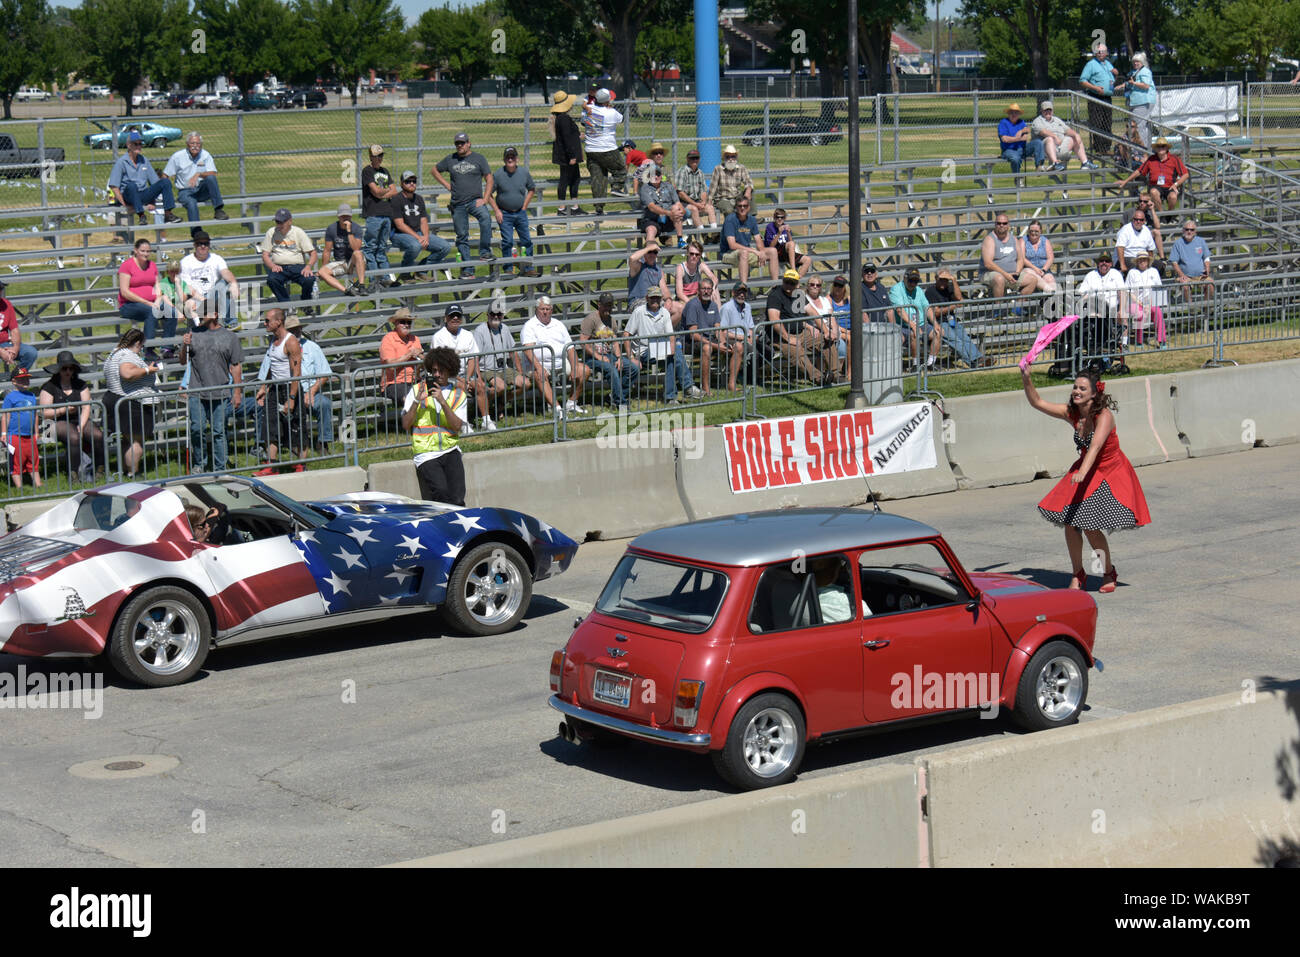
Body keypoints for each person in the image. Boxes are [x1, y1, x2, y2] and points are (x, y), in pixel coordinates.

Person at [1020, 367, 1150, 592]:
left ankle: (1107, 572)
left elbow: (1096, 446)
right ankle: (1078, 574)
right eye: (1075, 387)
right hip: (1085, 470)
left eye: (1082, 388)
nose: (1076, 392)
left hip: (1108, 472)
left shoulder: (1104, 416)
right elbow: (1037, 402)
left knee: (1090, 527)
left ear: (1094, 394)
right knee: (1070, 524)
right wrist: (1026, 378)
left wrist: (1082, 472)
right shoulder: (1072, 413)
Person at [180, 300, 243, 473]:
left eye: (203, 312)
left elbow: (236, 367)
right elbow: (182, 361)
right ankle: (200, 464)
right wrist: (184, 344)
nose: (199, 315)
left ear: (215, 315)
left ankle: (220, 467)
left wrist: (237, 392)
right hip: (197, 391)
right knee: (196, 429)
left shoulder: (230, 337)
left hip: (221, 391)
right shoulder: (192, 333)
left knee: (218, 432)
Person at [401, 347, 468, 505]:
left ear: (450, 370)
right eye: (434, 370)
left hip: (450, 450)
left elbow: (457, 426)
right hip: (426, 453)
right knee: (441, 493)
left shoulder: (458, 395)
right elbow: (405, 424)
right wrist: (416, 401)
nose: (437, 375)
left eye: (441, 371)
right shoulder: (417, 390)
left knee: (458, 497)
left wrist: (443, 403)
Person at [433, 132, 494, 277]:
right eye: (457, 143)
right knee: (461, 236)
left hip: (475, 201)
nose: (459, 146)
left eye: (462, 143)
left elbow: (489, 178)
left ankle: (485, 252)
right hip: (458, 203)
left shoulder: (479, 158)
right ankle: (468, 269)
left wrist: (485, 199)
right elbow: (434, 170)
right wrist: (447, 185)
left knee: (486, 219)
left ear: (469, 143)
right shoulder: (450, 159)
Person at [102, 328, 161, 478]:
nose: (141, 349)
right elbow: (127, 373)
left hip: (117, 398)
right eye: (141, 346)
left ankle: (127, 471)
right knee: (136, 441)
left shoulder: (114, 353)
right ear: (137, 343)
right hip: (132, 402)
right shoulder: (127, 355)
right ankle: (134, 473)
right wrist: (148, 370)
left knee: (127, 439)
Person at [38, 351, 104, 482]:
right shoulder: (49, 387)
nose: (68, 371)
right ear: (58, 370)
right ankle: (73, 474)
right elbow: (44, 412)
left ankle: (100, 469)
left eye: (71, 368)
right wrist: (63, 410)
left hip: (78, 419)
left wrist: (82, 424)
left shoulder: (80, 384)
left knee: (98, 435)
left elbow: (86, 407)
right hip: (54, 422)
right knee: (74, 437)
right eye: (64, 368)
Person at [253, 308, 306, 474]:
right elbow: (272, 366)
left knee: (296, 426)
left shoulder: (290, 342)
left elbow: (297, 373)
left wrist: (291, 398)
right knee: (270, 427)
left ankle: (301, 464)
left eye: (268, 320)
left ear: (278, 322)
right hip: (274, 389)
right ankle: (271, 465)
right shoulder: (273, 341)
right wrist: (264, 387)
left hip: (290, 388)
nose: (265, 323)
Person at [625, 289, 699, 404]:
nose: (655, 300)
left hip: (660, 348)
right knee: (670, 356)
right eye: (653, 297)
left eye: (658, 298)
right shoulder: (639, 312)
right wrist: (631, 357)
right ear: (647, 298)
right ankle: (686, 388)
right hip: (644, 351)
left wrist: (673, 350)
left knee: (671, 355)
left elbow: (671, 335)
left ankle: (672, 396)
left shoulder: (664, 312)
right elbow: (626, 334)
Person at [521, 295, 588, 416]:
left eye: (548, 309)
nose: (545, 312)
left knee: (583, 370)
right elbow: (528, 350)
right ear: (537, 309)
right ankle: (557, 409)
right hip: (539, 365)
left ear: (551, 310)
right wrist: (539, 367)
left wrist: (574, 368)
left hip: (560, 362)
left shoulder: (558, 324)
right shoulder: (529, 326)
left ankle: (571, 403)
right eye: (542, 309)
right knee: (539, 374)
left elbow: (571, 348)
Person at [471, 291, 528, 430]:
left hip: (504, 369)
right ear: (488, 315)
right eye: (493, 314)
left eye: (499, 314)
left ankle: (500, 403)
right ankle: (486, 408)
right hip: (487, 370)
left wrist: (520, 371)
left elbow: (513, 353)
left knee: (525, 383)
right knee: (500, 386)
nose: (496, 317)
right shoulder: (480, 331)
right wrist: (478, 376)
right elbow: (475, 357)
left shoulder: (505, 328)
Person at [766, 269, 830, 383]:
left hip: (800, 332)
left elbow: (813, 313)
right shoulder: (775, 296)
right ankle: (819, 378)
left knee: (825, 340)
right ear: (783, 281)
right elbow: (774, 320)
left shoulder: (799, 295)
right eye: (787, 282)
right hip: (780, 337)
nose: (789, 285)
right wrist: (788, 338)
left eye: (793, 283)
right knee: (796, 351)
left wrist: (826, 331)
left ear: (798, 284)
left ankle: (835, 374)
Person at [107, 131, 182, 225]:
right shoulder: (121, 162)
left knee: (165, 182)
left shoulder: (144, 160)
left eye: (140, 144)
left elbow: (154, 182)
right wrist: (124, 205)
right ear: (128, 145)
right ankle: (141, 216)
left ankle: (168, 214)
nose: (139, 146)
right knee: (132, 185)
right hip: (129, 195)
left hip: (143, 194)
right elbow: (114, 187)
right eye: (136, 144)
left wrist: (152, 201)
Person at [580, 292, 639, 411]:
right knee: (611, 370)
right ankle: (621, 403)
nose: (608, 308)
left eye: (610, 305)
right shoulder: (591, 319)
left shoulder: (611, 320)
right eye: (606, 305)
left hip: (609, 355)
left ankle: (614, 396)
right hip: (592, 358)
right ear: (599, 305)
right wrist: (598, 357)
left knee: (633, 369)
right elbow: (583, 342)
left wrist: (619, 358)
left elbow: (615, 341)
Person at [283, 314, 334, 450]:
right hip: (287, 393)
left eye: (298, 328)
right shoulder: (279, 348)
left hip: (309, 390)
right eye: (292, 330)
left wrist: (311, 391)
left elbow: (324, 374)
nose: (296, 331)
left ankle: (323, 442)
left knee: (324, 404)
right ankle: (291, 443)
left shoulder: (312, 347)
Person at [391, 170, 452, 281]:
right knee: (415, 246)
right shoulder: (396, 199)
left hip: (417, 233)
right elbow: (399, 225)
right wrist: (419, 238)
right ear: (401, 184)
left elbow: (423, 221)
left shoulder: (419, 199)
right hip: (399, 234)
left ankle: (421, 271)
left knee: (445, 247)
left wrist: (426, 237)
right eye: (408, 181)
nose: (412, 183)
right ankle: (405, 273)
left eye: (414, 181)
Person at [488, 148, 540, 276]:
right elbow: (488, 194)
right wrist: (497, 211)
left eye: (512, 157)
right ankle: (508, 268)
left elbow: (532, 189)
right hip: (504, 213)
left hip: (520, 213)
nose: (510, 159)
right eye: (507, 157)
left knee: (526, 240)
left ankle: (528, 268)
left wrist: (524, 206)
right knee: (507, 241)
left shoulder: (524, 173)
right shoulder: (498, 174)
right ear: (504, 159)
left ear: (517, 159)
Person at [117, 238, 175, 351]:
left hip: (151, 303)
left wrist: (158, 300)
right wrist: (147, 303)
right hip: (129, 305)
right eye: (143, 251)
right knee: (151, 311)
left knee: (171, 312)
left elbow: (157, 286)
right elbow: (124, 292)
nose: (146, 254)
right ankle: (148, 349)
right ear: (136, 251)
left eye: (148, 251)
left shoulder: (152, 265)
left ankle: (167, 347)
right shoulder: (127, 265)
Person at [430, 303, 480, 427]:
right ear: (446, 318)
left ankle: (486, 419)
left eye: (458, 315)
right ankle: (463, 423)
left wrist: (467, 379)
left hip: (465, 375)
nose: (455, 318)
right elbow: (441, 365)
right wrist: (460, 379)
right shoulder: (438, 337)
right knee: (461, 388)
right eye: (452, 316)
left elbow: (473, 358)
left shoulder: (468, 335)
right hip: (444, 376)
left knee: (481, 386)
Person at [162, 132, 228, 223]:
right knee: (191, 203)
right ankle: (196, 233)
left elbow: (213, 173)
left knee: (211, 178)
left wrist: (199, 174)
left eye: (198, 143)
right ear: (187, 144)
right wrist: (166, 195)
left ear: (201, 145)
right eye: (192, 143)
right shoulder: (177, 157)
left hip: (201, 190)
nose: (195, 146)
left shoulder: (205, 155)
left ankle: (218, 210)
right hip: (185, 192)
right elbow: (165, 175)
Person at [179, 229, 240, 327]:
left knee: (224, 283)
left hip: (213, 297)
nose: (203, 246)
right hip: (196, 299)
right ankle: (228, 323)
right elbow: (187, 287)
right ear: (194, 245)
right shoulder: (186, 262)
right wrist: (204, 301)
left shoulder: (216, 258)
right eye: (200, 244)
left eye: (206, 243)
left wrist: (234, 283)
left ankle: (230, 323)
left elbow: (225, 272)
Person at [925, 269, 985, 368]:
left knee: (965, 338)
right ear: (936, 279)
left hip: (951, 321)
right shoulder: (930, 291)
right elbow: (936, 313)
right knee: (957, 342)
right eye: (941, 279)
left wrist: (953, 280)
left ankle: (978, 358)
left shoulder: (949, 288)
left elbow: (959, 298)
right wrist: (953, 306)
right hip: (939, 323)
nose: (944, 282)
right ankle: (973, 363)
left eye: (946, 280)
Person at [683, 277, 731, 394]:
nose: (706, 291)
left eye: (709, 289)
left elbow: (717, 329)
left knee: (738, 347)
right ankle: (705, 386)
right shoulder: (692, 305)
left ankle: (731, 384)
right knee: (707, 348)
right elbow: (693, 334)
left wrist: (722, 342)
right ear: (698, 290)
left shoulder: (714, 306)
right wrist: (716, 346)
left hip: (710, 340)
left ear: (711, 291)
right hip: (692, 343)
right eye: (703, 288)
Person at [1114, 137, 1189, 211]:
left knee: (1173, 196)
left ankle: (1169, 216)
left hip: (1170, 186)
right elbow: (1139, 171)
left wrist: (1176, 184)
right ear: (1155, 148)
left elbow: (1185, 174)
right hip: (1155, 186)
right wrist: (1125, 181)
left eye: (1163, 146)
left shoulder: (1174, 159)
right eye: (1158, 146)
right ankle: (1161, 214)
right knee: (1153, 192)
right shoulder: (1151, 159)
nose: (1160, 148)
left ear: (1166, 148)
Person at [582, 89, 626, 215]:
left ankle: (599, 207)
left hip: (591, 150)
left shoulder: (588, 110)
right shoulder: (611, 113)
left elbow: (583, 121)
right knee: (620, 170)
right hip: (607, 149)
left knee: (598, 178)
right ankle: (616, 188)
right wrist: (609, 107)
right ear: (607, 101)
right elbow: (621, 119)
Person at [888, 266, 942, 367]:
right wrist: (913, 325)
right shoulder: (896, 290)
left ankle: (930, 364)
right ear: (904, 278)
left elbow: (927, 307)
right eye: (911, 280)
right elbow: (900, 310)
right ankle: (915, 365)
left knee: (937, 332)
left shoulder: (918, 290)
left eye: (916, 281)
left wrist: (935, 323)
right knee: (914, 334)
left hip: (921, 324)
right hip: (903, 326)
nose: (913, 284)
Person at [361, 144, 400, 281]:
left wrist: (382, 193)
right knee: (371, 247)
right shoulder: (367, 171)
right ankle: (374, 278)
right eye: (376, 156)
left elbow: (394, 191)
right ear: (371, 157)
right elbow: (376, 192)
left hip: (386, 214)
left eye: (381, 155)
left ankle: (385, 277)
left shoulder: (385, 171)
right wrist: (385, 192)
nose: (379, 158)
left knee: (382, 248)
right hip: (374, 214)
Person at [262, 208, 317, 302]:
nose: (279, 224)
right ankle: (286, 305)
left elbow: (313, 253)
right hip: (279, 267)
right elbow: (265, 254)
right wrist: (272, 266)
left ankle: (305, 302)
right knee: (272, 280)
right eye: (277, 222)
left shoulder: (298, 232)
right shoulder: (271, 232)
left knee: (309, 279)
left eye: (281, 222)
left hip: (297, 266)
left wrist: (308, 266)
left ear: (290, 221)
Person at [720, 198, 779, 286]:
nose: (742, 208)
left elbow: (758, 239)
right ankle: (743, 289)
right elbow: (732, 245)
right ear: (736, 207)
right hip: (728, 253)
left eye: (745, 206)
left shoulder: (752, 220)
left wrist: (762, 252)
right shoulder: (730, 220)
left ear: (749, 207)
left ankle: (775, 286)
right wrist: (755, 252)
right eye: (740, 206)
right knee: (744, 253)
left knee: (773, 251)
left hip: (746, 252)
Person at [1031, 101, 1098, 171]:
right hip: (1046, 150)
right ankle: (1055, 163)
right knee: (1049, 139)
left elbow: (1067, 130)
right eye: (1045, 110)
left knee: (1075, 138)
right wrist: (1055, 136)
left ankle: (1085, 163)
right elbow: (1043, 132)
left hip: (1060, 147)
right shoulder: (1037, 121)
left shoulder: (1057, 120)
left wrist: (1076, 135)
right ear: (1041, 111)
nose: (1048, 112)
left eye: (1049, 110)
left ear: (1052, 111)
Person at [980, 212, 1034, 297]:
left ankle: (1018, 308)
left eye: (1004, 223)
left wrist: (1017, 273)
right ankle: (999, 308)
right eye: (999, 223)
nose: (1002, 225)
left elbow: (1020, 259)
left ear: (1008, 225)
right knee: (999, 279)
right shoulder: (990, 240)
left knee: (1032, 280)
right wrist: (1006, 275)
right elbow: (988, 264)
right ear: (995, 224)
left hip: (1012, 275)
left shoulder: (1014, 239)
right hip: (990, 274)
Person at [379, 307, 424, 409]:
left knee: (434, 393)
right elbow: (391, 366)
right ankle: (411, 423)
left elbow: (425, 364)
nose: (406, 325)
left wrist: (421, 356)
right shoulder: (388, 339)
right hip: (393, 383)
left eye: (409, 322)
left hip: (415, 380)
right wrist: (409, 354)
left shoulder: (415, 339)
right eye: (403, 322)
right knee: (410, 398)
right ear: (395, 323)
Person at [3, 368, 41, 487]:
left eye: (27, 378)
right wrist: (4, 434)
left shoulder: (32, 396)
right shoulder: (10, 397)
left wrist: (36, 432)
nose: (25, 381)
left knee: (33, 460)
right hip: (14, 435)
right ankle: (19, 487)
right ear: (14, 381)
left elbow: (35, 415)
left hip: (29, 435)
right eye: (22, 379)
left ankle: (38, 484)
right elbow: (5, 416)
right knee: (16, 461)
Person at [1078, 44, 1118, 156]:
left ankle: (1106, 148)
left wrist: (1116, 74)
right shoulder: (1091, 64)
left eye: (1102, 51)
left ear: (1106, 53)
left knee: (1107, 123)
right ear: (1095, 53)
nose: (1100, 53)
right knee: (1098, 122)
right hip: (1096, 97)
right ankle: (1099, 149)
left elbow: (1112, 77)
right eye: (1098, 51)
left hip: (1107, 98)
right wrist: (1094, 88)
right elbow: (1082, 81)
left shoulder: (1108, 63)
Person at [320, 204, 367, 297]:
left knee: (357, 253)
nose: (345, 218)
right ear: (338, 216)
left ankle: (362, 286)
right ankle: (347, 291)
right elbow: (327, 250)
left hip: (355, 262)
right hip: (340, 262)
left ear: (351, 216)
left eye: (347, 216)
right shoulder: (331, 229)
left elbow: (356, 248)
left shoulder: (356, 228)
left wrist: (349, 231)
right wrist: (324, 267)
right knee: (322, 272)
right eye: (343, 216)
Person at [550, 91, 584, 215]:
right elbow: (566, 138)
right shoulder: (563, 118)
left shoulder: (562, 117)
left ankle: (575, 207)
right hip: (567, 156)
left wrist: (577, 135)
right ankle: (561, 208)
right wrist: (572, 156)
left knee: (575, 179)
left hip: (569, 154)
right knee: (564, 180)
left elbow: (570, 135)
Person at [1169, 218, 1214, 311]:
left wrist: (1207, 269)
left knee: (1211, 284)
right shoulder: (1178, 243)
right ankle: (1192, 309)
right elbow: (1174, 262)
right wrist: (1182, 275)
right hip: (1185, 276)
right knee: (1185, 286)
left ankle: (1206, 309)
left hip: (1201, 275)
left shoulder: (1201, 241)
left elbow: (1206, 257)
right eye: (1187, 229)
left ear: (1195, 231)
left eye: (1192, 229)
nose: (1189, 231)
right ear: (1183, 230)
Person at [628, 242, 680, 322]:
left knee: (679, 308)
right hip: (638, 301)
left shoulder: (659, 270)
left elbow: (664, 290)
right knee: (649, 310)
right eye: (649, 252)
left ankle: (663, 332)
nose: (652, 255)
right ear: (645, 253)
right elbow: (632, 258)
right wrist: (648, 248)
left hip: (655, 301)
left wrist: (669, 300)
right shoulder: (638, 266)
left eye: (655, 252)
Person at [718, 281, 756, 391]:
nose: (742, 295)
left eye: (744, 292)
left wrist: (751, 339)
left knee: (766, 350)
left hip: (746, 338)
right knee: (752, 352)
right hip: (731, 339)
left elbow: (751, 327)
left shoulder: (748, 307)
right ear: (734, 293)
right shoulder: (727, 308)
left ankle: (752, 379)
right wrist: (743, 338)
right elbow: (723, 331)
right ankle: (737, 381)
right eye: (739, 292)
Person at [1125, 251, 1167, 348]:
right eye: (1140, 260)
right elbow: (1128, 291)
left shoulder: (1154, 271)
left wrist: (1148, 304)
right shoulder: (1132, 272)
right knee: (1139, 314)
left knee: (1158, 312)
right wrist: (1141, 304)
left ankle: (1161, 340)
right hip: (1135, 302)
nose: (1142, 262)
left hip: (1151, 301)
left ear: (1148, 261)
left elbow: (1157, 289)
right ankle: (1139, 341)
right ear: (1137, 261)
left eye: (1144, 259)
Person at [638, 165, 685, 247]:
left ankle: (680, 240)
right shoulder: (645, 188)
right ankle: (649, 250)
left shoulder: (668, 186)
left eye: (658, 174)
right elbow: (652, 207)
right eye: (653, 175)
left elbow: (678, 203)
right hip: (652, 218)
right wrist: (668, 213)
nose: (656, 177)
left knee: (676, 208)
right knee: (651, 229)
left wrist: (681, 210)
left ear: (661, 176)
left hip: (668, 219)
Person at [0, 279, 38, 379]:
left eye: (0, 289)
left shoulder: (6, 304)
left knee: (30, 352)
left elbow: (14, 330)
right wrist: (0, 351)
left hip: (4, 343)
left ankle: (17, 377)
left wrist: (15, 348)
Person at [1117, 52, 1156, 148]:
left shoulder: (1145, 72)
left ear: (1142, 62)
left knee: (1138, 125)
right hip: (1134, 101)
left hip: (1143, 102)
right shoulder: (1133, 72)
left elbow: (1146, 85)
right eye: (1134, 62)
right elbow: (1129, 82)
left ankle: (1142, 149)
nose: (1135, 63)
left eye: (1138, 62)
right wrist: (1122, 85)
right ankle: (1142, 147)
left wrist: (1134, 83)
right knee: (1135, 124)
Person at [673, 148, 717, 227]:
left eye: (696, 158)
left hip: (697, 201)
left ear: (699, 159)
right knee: (694, 209)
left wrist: (703, 201)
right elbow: (680, 193)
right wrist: (696, 204)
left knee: (710, 208)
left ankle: (715, 233)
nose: (694, 160)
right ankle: (702, 233)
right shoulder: (682, 172)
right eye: (692, 158)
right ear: (687, 159)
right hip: (683, 203)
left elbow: (703, 190)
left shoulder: (700, 173)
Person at [763, 208, 812, 277]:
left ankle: (796, 279)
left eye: (782, 217)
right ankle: (793, 270)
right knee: (791, 244)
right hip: (774, 253)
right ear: (774, 217)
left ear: (785, 218)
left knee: (808, 260)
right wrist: (779, 233)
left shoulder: (785, 226)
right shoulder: (770, 227)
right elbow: (771, 246)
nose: (779, 219)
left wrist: (788, 232)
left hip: (786, 253)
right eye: (777, 217)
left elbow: (791, 243)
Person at [998, 102, 1045, 173]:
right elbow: (1005, 139)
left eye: (1016, 113)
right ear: (1008, 114)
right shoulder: (1003, 122)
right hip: (1008, 150)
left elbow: (1027, 132)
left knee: (1038, 142)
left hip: (1022, 149)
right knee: (1015, 158)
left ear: (1019, 114)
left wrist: (1021, 131)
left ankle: (1039, 166)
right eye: (1011, 112)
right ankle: (1017, 177)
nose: (1014, 114)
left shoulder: (1021, 122)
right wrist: (1018, 138)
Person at [675, 240, 721, 313]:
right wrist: (692, 303)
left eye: (697, 254)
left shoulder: (701, 265)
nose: (694, 256)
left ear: (700, 255)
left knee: (715, 290)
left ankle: (719, 319)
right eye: (691, 254)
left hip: (697, 296)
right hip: (684, 299)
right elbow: (679, 293)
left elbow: (714, 278)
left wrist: (712, 289)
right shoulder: (680, 268)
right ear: (687, 253)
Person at [708, 144, 753, 218]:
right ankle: (732, 226)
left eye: (733, 156)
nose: (730, 159)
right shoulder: (718, 169)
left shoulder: (741, 168)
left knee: (751, 191)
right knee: (729, 210)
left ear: (736, 157)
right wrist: (709, 201)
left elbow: (748, 181)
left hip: (737, 197)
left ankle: (752, 217)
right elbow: (713, 187)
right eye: (728, 156)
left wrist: (748, 190)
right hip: (722, 198)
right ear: (724, 158)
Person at [1115, 207, 1159, 274]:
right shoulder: (1125, 230)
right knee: (1137, 266)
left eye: (1141, 220)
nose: (1138, 222)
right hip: (1128, 257)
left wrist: (1150, 264)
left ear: (1144, 221)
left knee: (1160, 265)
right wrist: (1122, 265)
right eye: (1136, 219)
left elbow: (1150, 250)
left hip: (1143, 257)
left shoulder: (1146, 230)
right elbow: (1120, 247)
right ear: (1133, 219)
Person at [1020, 219, 1057, 293]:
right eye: (1031, 231)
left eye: (1036, 231)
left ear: (1041, 231)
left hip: (1043, 269)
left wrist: (1043, 270)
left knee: (1050, 279)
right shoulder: (1023, 241)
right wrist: (1035, 269)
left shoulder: (1045, 241)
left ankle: (1052, 301)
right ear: (1028, 231)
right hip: (1029, 269)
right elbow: (1022, 258)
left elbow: (1050, 258)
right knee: (1033, 275)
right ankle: (1051, 291)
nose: (1033, 233)